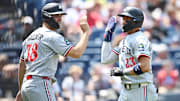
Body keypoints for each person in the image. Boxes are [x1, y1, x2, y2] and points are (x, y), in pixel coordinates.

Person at [15, 2, 89, 101]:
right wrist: (85, 32)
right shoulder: (52, 36)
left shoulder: (30, 37)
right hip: (41, 84)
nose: (60, 19)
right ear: (47, 17)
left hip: (27, 85)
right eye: (56, 16)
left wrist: (21, 89)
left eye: (60, 15)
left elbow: (22, 65)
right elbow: (77, 53)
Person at [101, 7, 158, 101]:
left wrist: (123, 72)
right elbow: (105, 59)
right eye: (123, 19)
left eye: (127, 19)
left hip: (141, 89)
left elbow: (144, 66)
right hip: (126, 90)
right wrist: (108, 35)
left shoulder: (140, 40)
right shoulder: (124, 41)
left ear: (136, 21)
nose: (123, 22)